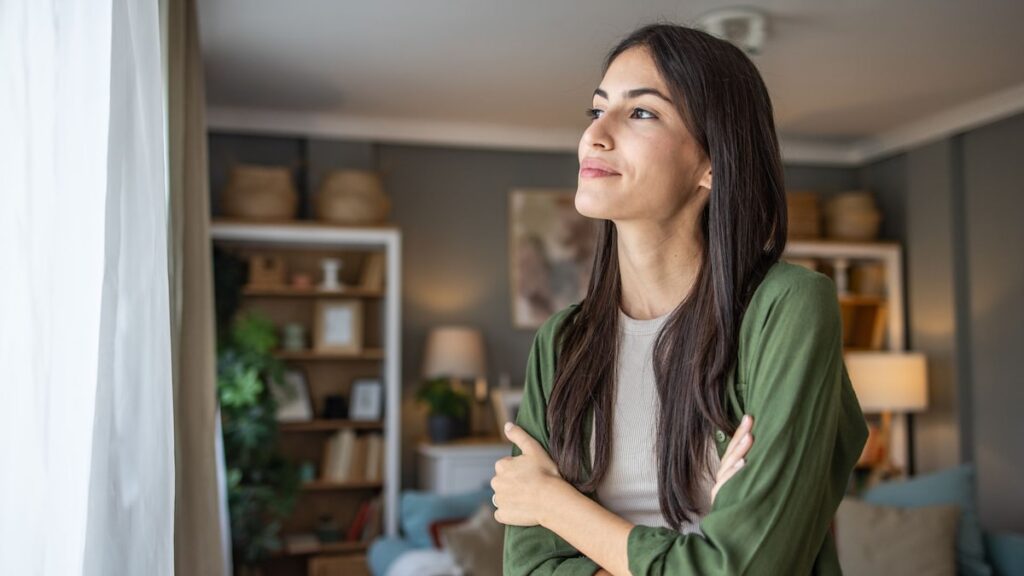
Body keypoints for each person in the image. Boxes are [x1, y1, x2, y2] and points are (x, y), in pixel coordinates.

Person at [491, 23, 869, 575]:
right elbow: (527, 570)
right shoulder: (562, 341)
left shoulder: (788, 309)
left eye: (641, 112)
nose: (595, 135)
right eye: (597, 110)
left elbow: (746, 568)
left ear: (712, 162)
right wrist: (696, 550)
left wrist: (555, 503)